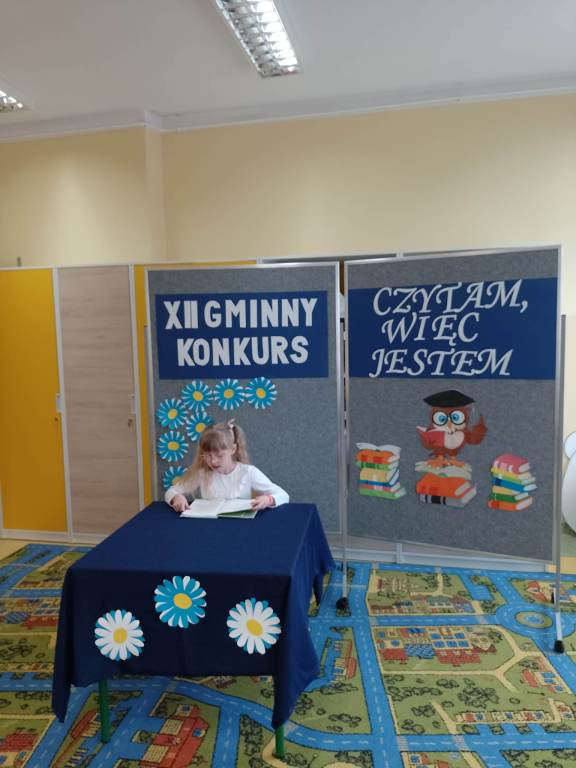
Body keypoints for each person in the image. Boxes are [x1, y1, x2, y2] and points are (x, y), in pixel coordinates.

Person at [165, 420, 289, 513]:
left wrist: (268, 499)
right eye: (207, 456)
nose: (213, 461)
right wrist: (176, 497)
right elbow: (171, 491)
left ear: (233, 449)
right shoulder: (202, 473)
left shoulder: (248, 472)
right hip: (209, 526)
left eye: (219, 456)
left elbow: (283, 495)